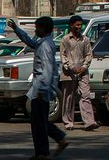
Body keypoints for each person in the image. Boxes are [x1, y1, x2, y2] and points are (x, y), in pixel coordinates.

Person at [10, 17, 67, 160]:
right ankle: (51, 144)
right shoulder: (42, 43)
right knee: (39, 121)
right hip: (39, 88)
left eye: (37, 28)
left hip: (41, 89)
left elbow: (47, 70)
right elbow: (30, 42)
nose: (35, 30)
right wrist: (16, 29)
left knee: (38, 123)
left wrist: (43, 90)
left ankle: (43, 152)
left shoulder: (46, 46)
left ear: (43, 28)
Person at [59, 15, 97, 131]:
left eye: (81, 25)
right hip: (68, 73)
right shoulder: (65, 39)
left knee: (85, 95)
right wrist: (70, 67)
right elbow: (63, 55)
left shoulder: (84, 39)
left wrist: (84, 67)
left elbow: (89, 55)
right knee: (69, 98)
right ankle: (68, 122)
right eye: (77, 25)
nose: (79, 27)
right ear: (72, 25)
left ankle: (89, 122)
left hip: (82, 73)